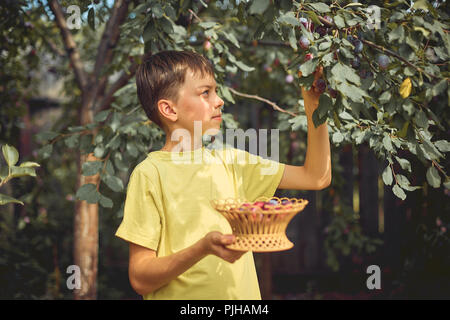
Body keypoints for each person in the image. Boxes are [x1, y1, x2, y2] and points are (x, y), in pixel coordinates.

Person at [115, 50, 331, 300]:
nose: (219, 101)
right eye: (205, 93)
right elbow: (140, 278)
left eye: (215, 91)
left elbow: (316, 176)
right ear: (169, 109)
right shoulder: (150, 175)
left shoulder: (232, 162)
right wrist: (202, 249)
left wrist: (314, 106)